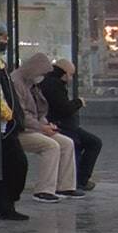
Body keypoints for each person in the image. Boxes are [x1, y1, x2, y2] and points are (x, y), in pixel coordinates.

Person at [10, 53, 85, 203]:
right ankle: (44, 190)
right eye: (42, 73)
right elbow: (21, 114)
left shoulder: (32, 83)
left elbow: (39, 111)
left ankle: (65, 186)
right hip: (19, 130)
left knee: (66, 143)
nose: (43, 77)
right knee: (51, 146)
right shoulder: (17, 82)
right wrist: (42, 128)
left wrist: (46, 124)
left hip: (35, 127)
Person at [40, 59, 102, 192]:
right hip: (59, 126)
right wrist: (78, 102)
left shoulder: (51, 83)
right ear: (65, 74)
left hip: (61, 125)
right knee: (87, 143)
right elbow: (64, 108)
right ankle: (78, 181)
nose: (71, 78)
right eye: (71, 74)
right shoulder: (54, 85)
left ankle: (78, 180)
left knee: (89, 142)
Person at [0, 27, 29, 220]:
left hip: (9, 124)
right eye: (1, 37)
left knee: (13, 165)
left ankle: (6, 204)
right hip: (2, 124)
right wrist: (8, 115)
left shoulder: (0, 64)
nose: (5, 41)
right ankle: (5, 205)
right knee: (15, 163)